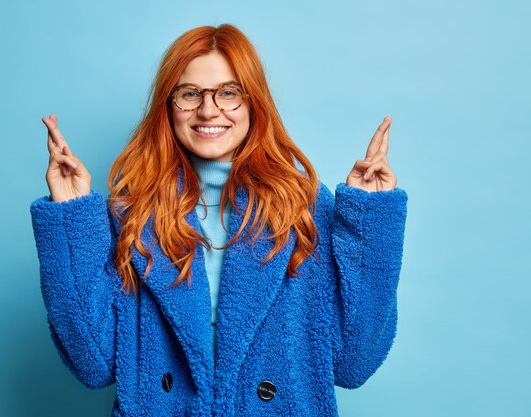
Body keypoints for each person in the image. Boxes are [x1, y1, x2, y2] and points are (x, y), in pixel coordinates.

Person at [30, 23, 408, 417]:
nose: (209, 110)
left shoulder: (303, 208)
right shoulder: (134, 212)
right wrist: (70, 217)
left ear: (253, 104)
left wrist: (370, 219)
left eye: (229, 93)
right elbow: (93, 363)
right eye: (190, 94)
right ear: (169, 105)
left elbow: (354, 364)